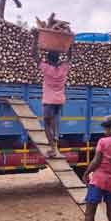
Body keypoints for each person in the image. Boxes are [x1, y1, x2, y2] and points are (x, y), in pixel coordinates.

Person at [31, 30, 73, 158]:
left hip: (49, 101)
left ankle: (52, 148)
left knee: (47, 125)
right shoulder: (63, 68)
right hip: (59, 101)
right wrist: (70, 43)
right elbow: (70, 57)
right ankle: (54, 143)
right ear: (58, 59)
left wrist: (36, 38)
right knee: (53, 122)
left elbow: (34, 55)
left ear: (48, 59)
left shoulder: (46, 68)